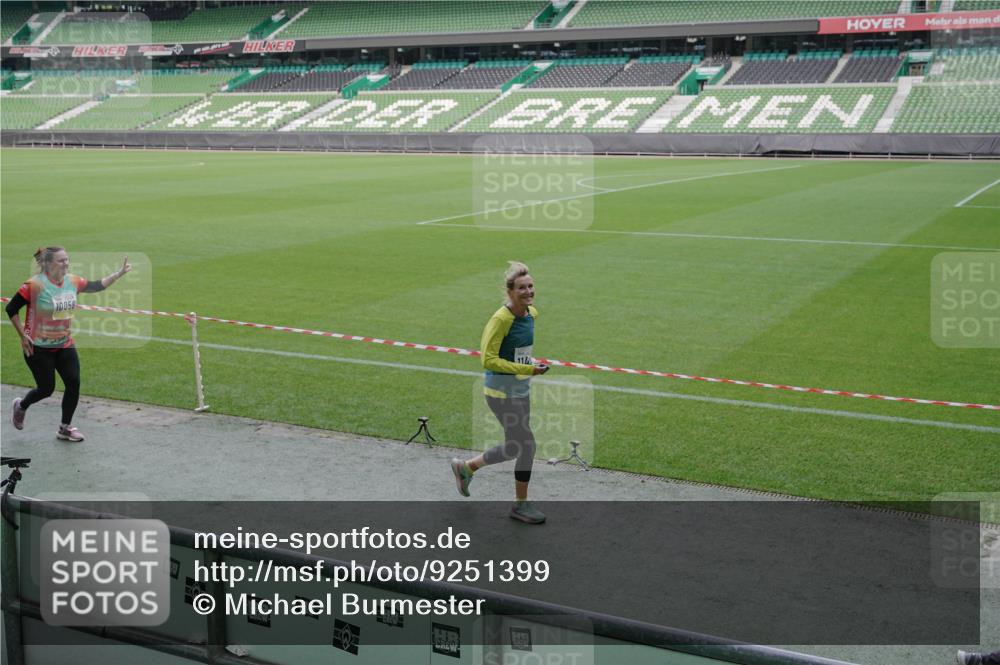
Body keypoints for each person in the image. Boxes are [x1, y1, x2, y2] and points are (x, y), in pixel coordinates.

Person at [450, 261, 550, 524]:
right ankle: (520, 505)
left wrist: (531, 364)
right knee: (527, 446)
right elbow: (488, 359)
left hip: (520, 389)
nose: (528, 291)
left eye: (530, 286)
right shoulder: (501, 319)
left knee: (515, 446)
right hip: (500, 393)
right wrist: (526, 369)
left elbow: (519, 352)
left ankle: (467, 467)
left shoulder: (531, 314)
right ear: (510, 292)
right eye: (521, 288)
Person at [7, 246, 131, 442]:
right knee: (46, 389)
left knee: (73, 383)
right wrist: (23, 335)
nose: (66, 263)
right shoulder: (34, 285)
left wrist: (119, 274)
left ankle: (65, 428)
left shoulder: (72, 281)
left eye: (67, 259)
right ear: (48, 264)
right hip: (37, 347)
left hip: (64, 344)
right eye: (61, 260)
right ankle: (21, 406)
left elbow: (97, 285)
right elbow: (11, 308)